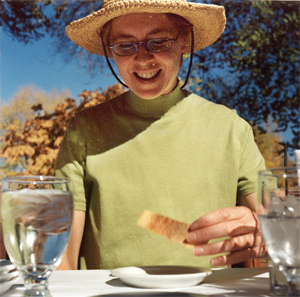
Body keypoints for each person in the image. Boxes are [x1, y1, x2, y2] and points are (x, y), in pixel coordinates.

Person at [55, 0, 268, 270]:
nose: (143, 58)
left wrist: (264, 229)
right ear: (112, 52)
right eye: (125, 45)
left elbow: (277, 226)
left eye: (158, 42)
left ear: (184, 42)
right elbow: (63, 258)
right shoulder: (84, 129)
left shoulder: (230, 128)